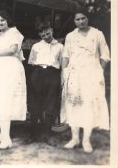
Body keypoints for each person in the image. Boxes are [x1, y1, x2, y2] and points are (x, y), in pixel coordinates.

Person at [61, 8, 110, 153]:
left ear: (87, 18)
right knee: (74, 104)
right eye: (77, 19)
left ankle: (86, 140)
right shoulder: (70, 36)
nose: (81, 21)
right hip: (74, 75)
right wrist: (64, 73)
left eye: (83, 18)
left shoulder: (97, 34)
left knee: (89, 106)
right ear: (74, 21)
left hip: (91, 75)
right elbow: (65, 56)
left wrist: (99, 72)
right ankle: (74, 138)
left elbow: (105, 56)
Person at [0, 10, 27, 149]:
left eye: (2, 20)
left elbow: (13, 50)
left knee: (6, 101)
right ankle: (2, 134)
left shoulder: (14, 33)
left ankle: (7, 138)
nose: (0, 23)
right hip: (0, 68)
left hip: (10, 68)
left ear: (8, 20)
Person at [26, 22, 63, 145]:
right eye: (43, 35)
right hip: (38, 74)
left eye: (48, 33)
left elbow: (62, 64)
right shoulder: (36, 46)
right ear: (39, 35)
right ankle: (32, 134)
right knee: (35, 104)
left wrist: (61, 79)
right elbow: (31, 61)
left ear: (51, 30)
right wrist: (35, 76)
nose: (46, 36)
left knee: (51, 104)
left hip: (53, 74)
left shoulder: (60, 47)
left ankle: (47, 135)